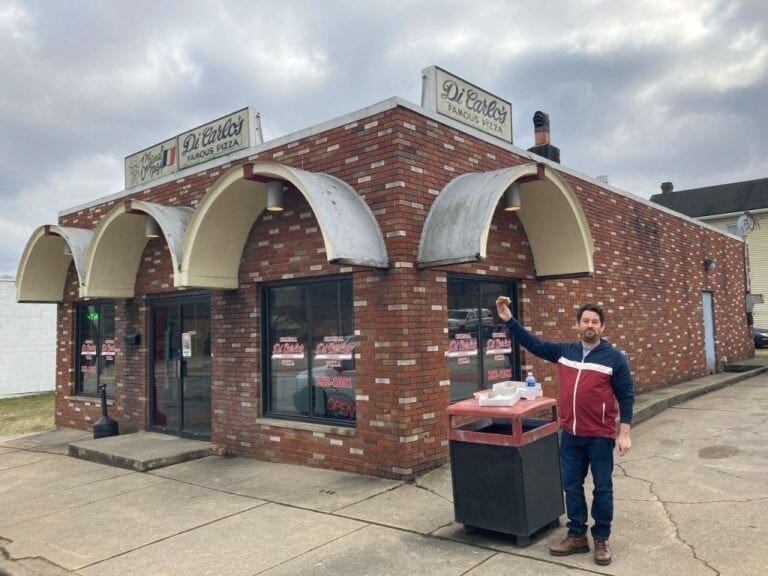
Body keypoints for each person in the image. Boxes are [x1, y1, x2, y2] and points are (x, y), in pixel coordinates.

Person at [495, 297, 634, 566]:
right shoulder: (564, 352)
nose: (590, 325)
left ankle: (601, 539)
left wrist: (624, 432)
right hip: (570, 434)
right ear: (578, 325)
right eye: (585, 321)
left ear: (602, 327)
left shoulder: (614, 358)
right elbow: (534, 344)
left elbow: (626, 395)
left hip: (600, 436)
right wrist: (508, 319)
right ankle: (577, 535)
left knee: (603, 489)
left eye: (595, 321)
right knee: (571, 486)